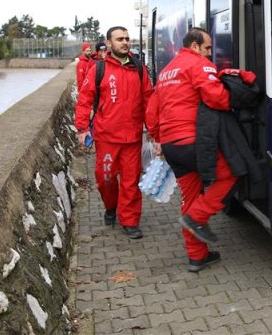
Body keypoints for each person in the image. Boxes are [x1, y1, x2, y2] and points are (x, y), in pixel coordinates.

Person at [145, 27, 239, 272]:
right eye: (207, 48)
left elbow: (151, 113)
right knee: (229, 174)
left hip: (171, 145)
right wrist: (238, 97)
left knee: (189, 196)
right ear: (195, 46)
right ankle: (196, 218)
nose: (210, 53)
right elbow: (216, 97)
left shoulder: (166, 72)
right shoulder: (198, 64)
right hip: (193, 142)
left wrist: (158, 139)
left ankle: (197, 256)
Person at [75, 26, 153, 239]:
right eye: (120, 39)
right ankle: (111, 207)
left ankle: (129, 220)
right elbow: (84, 100)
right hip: (106, 137)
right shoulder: (98, 69)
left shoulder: (139, 68)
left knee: (131, 181)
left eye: (127, 38)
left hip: (133, 138)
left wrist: (154, 132)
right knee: (105, 179)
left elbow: (149, 102)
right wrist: (82, 128)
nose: (125, 42)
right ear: (109, 44)